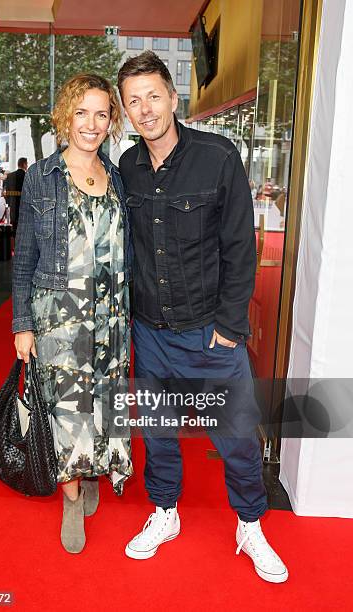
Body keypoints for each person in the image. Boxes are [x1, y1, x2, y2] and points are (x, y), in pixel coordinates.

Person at [117, 51, 288, 583]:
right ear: (127, 112)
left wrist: (230, 325)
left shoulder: (218, 157)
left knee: (235, 434)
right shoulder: (127, 167)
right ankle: (165, 512)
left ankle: (250, 524)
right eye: (133, 101)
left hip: (210, 331)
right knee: (161, 433)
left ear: (173, 97)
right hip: (150, 328)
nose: (145, 109)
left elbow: (241, 246)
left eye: (153, 96)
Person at [12, 73, 133, 554]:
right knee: (66, 409)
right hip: (59, 314)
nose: (91, 123)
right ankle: (71, 495)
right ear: (65, 115)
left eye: (101, 113)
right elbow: (23, 260)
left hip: (111, 316)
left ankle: (95, 465)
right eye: (81, 112)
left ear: (111, 120)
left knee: (103, 401)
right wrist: (22, 324)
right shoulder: (42, 177)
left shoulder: (118, 176)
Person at [4, 158, 28, 236]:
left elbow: (6, 192)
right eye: (26, 164)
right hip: (24, 206)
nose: (27, 166)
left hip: (13, 205)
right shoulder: (27, 176)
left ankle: (13, 243)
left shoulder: (10, 176)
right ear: (24, 164)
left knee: (14, 225)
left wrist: (8, 203)